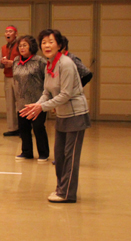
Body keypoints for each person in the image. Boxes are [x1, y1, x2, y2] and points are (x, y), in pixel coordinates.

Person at [20, 29, 90, 203]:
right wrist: (38, 105)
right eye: (44, 42)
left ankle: (67, 194)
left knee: (70, 157)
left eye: (51, 41)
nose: (47, 45)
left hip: (76, 115)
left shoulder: (65, 63)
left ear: (59, 45)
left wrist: (42, 107)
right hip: (62, 115)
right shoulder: (49, 64)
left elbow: (65, 94)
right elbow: (46, 91)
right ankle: (61, 188)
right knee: (59, 156)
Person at [12, 35, 49, 161]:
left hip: (37, 102)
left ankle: (43, 153)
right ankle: (26, 152)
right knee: (24, 128)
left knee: (38, 127)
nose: (22, 48)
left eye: (25, 45)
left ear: (31, 47)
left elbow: (47, 81)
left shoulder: (40, 61)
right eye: (20, 46)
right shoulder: (16, 61)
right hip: (22, 101)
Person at [0, 25, 20, 136]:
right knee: (9, 104)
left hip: (19, 78)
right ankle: (12, 128)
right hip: (8, 77)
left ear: (16, 34)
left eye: (10, 31)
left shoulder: (21, 46)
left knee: (21, 103)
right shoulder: (3, 48)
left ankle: (23, 127)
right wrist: (2, 62)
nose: (8, 33)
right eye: (6, 32)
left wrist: (13, 63)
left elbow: (25, 61)